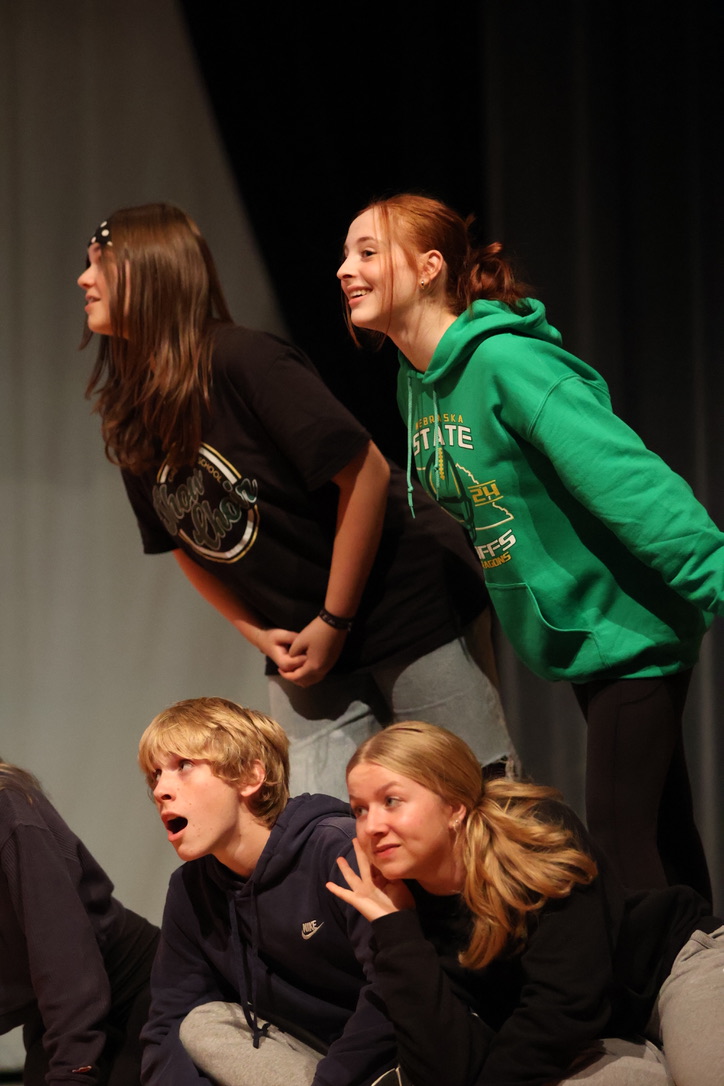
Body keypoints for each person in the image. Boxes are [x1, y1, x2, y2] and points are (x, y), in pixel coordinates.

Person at [337, 192, 724, 902]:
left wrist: (714, 573)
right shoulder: (414, 385)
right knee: (664, 833)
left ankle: (652, 1001)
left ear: (428, 268)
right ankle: (703, 984)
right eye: (345, 254)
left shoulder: (509, 364)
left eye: (367, 252)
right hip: (578, 633)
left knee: (618, 838)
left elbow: (626, 478)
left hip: (630, 624)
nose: (344, 270)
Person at [77, 203, 515, 802]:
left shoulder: (242, 360)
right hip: (308, 644)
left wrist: (334, 619)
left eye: (100, 264)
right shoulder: (133, 409)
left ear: (151, 273)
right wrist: (262, 634)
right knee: (319, 827)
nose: (84, 279)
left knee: (472, 799)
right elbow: (180, 545)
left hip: (405, 603)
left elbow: (364, 472)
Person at [328, 720, 724, 1086]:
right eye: (359, 809)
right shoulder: (403, 911)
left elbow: (566, 1001)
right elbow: (445, 1069)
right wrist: (394, 927)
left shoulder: (535, 835)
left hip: (672, 971)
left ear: (454, 806)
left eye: (391, 801)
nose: (372, 826)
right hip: (589, 1034)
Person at [137, 695, 406, 1086]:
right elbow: (169, 1019)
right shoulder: (190, 888)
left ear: (250, 777)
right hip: (309, 1064)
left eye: (184, 766)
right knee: (201, 1024)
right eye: (154, 775)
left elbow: (393, 987)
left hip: (389, 1065)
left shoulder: (337, 849)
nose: (161, 789)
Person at [0, 756, 159, 1086]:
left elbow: (63, 950)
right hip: (54, 1007)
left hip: (132, 988)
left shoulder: (8, 811)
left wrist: (73, 1072)